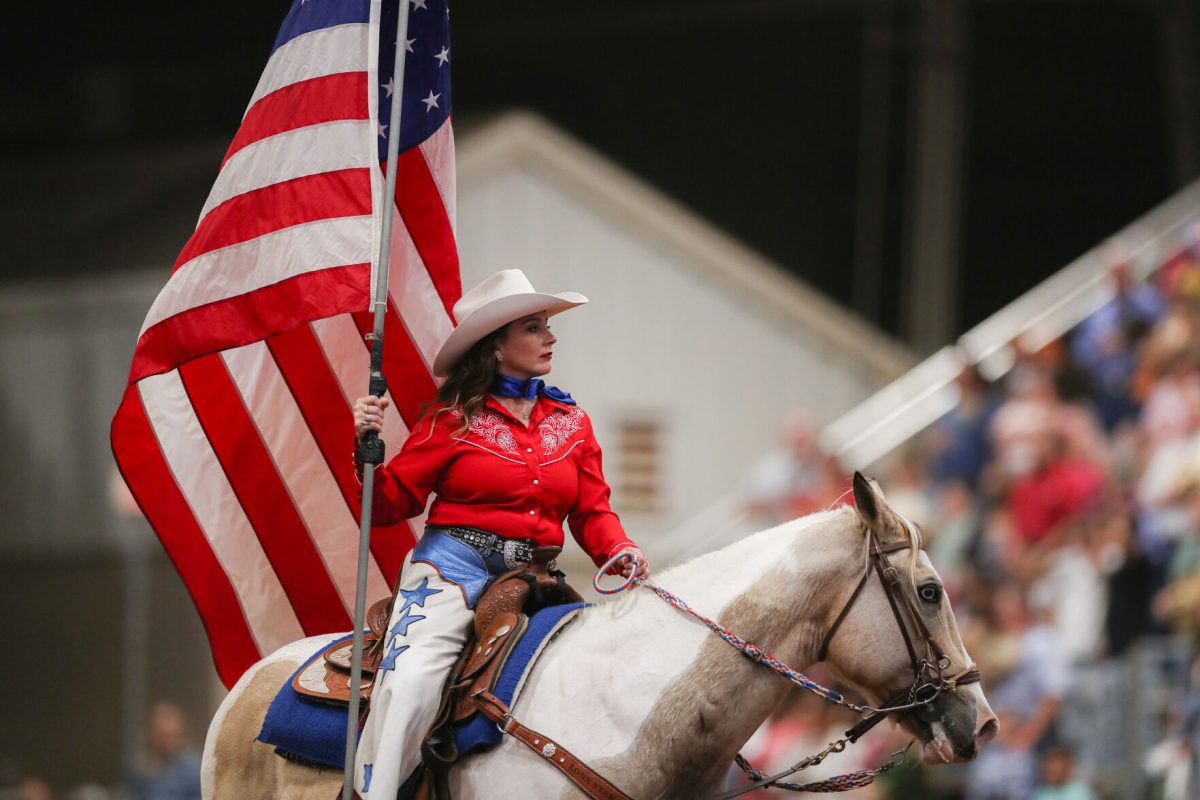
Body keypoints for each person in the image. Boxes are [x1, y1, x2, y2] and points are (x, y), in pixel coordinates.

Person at [351, 269, 648, 798]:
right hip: (452, 571)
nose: (550, 337)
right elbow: (392, 504)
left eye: (546, 327)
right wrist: (368, 454)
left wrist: (619, 550)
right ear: (495, 347)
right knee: (413, 682)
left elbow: (592, 511)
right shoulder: (451, 420)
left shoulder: (572, 421)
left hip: (536, 576)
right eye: (534, 327)